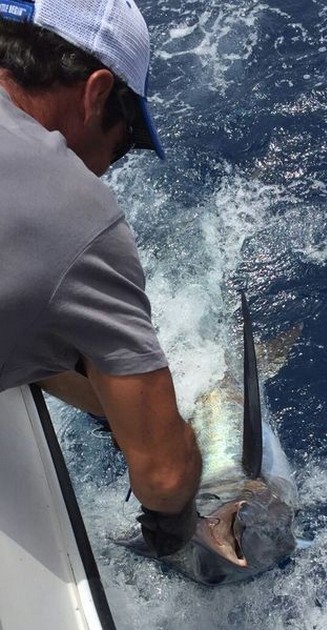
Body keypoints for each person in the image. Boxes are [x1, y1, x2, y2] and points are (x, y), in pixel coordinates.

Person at [0, 0, 202, 557]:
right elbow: (164, 478)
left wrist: (107, 407)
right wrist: (175, 522)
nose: (112, 164)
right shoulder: (78, 211)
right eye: (126, 139)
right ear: (96, 92)